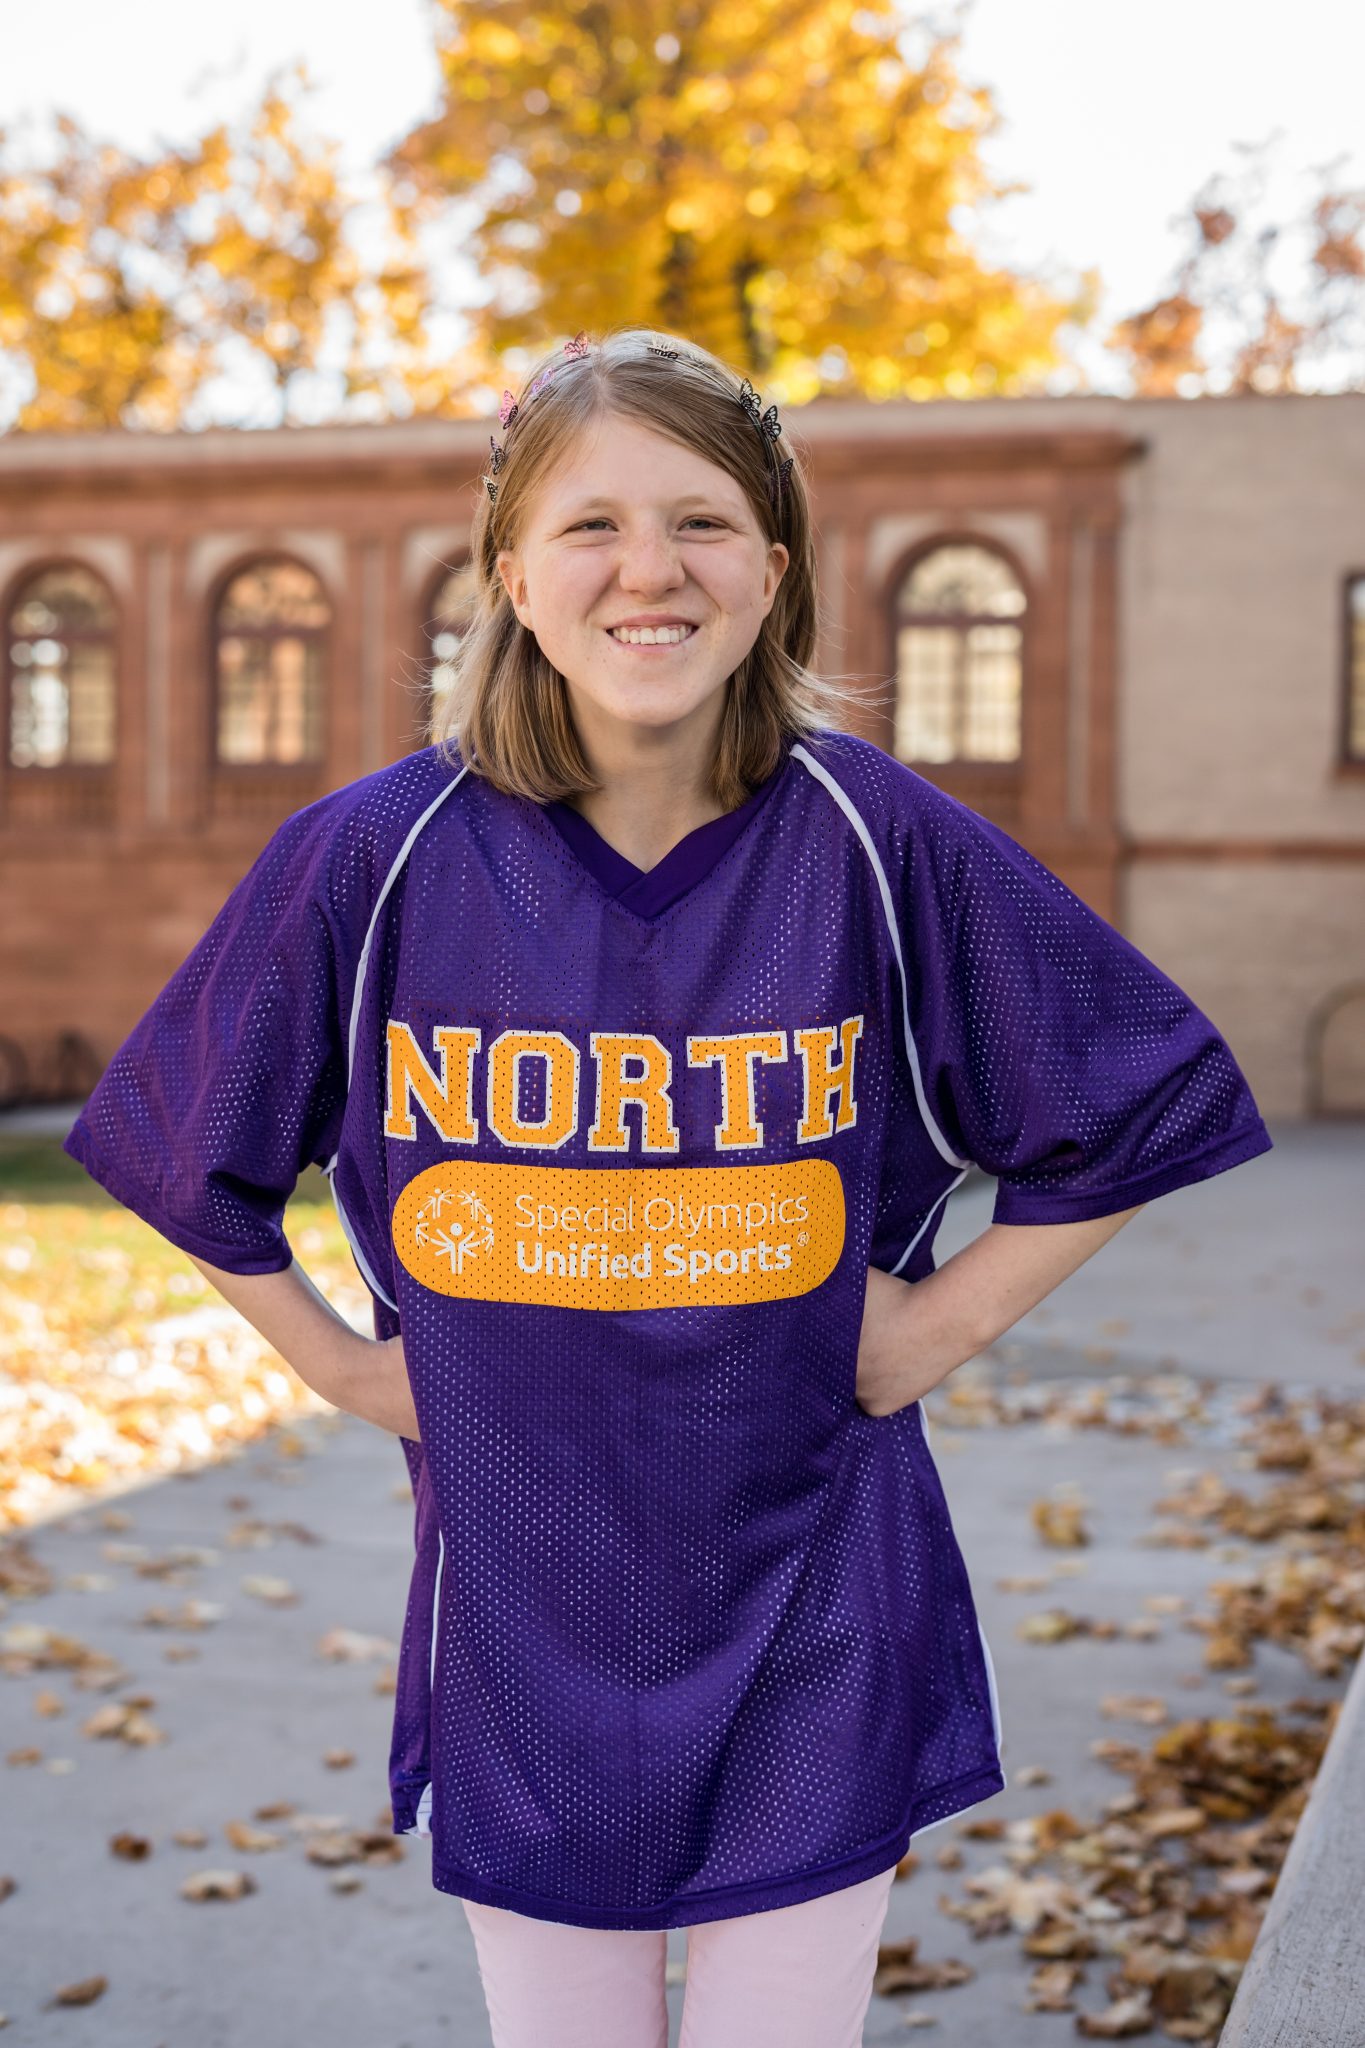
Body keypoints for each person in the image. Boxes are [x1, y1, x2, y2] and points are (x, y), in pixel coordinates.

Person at [63, 325, 1274, 2047]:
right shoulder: (376, 852)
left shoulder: (874, 837)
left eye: (702, 523)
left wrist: (934, 1327)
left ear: (772, 572)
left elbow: (1137, 1091)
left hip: (811, 1595)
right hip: (522, 1605)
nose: (651, 571)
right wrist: (339, 1364)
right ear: (511, 579)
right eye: (591, 529)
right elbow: (184, 1139)